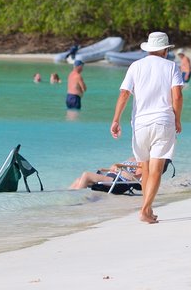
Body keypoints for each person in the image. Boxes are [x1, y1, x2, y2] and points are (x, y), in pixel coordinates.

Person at [111, 32, 184, 224]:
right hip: (163, 122)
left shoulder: (135, 66)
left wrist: (116, 120)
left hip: (140, 124)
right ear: (164, 49)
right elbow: (177, 96)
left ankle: (148, 209)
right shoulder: (171, 67)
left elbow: (124, 94)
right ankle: (145, 209)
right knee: (156, 170)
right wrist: (177, 119)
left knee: (145, 168)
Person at [69, 159, 141, 190]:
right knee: (79, 179)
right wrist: (113, 167)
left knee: (86, 175)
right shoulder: (132, 159)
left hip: (119, 183)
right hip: (111, 176)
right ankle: (69, 197)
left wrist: (120, 171)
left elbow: (134, 179)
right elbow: (114, 166)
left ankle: (79, 201)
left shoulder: (143, 163)